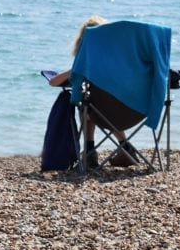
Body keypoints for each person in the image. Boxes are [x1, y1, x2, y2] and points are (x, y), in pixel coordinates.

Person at [47, 15, 137, 167]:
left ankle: (89, 153)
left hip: (102, 112)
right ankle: (126, 147)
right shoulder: (123, 59)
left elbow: (53, 82)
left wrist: (74, 70)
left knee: (87, 105)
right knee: (102, 105)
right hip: (134, 110)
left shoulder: (87, 60)